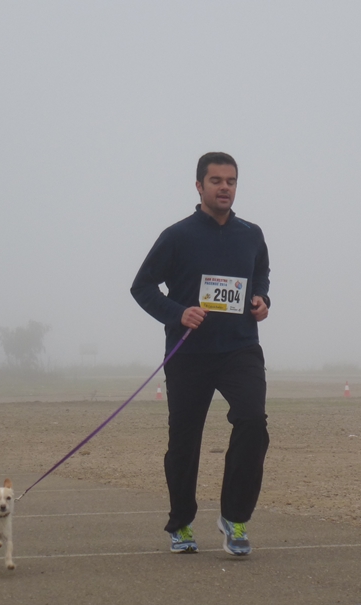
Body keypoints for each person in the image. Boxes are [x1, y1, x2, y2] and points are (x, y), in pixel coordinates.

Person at [131, 152, 271, 556]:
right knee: (184, 442)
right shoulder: (177, 236)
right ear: (199, 186)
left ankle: (235, 518)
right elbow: (141, 287)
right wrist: (179, 313)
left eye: (230, 181)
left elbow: (259, 277)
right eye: (215, 180)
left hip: (240, 348)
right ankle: (181, 524)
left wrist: (262, 300)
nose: (224, 187)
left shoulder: (251, 234)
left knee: (252, 422)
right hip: (189, 352)